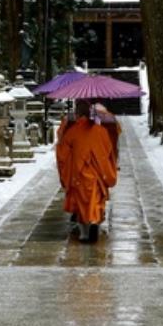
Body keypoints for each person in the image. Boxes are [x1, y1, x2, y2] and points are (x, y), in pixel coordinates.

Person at [56, 99, 118, 242]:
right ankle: (94, 221)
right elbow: (109, 152)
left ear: (77, 112)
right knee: (95, 200)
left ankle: (84, 232)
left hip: (79, 174)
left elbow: (63, 153)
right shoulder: (101, 131)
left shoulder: (72, 130)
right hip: (97, 173)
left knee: (81, 204)